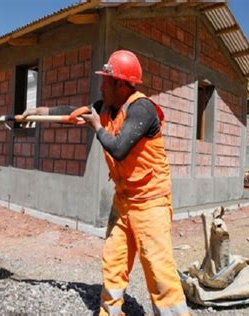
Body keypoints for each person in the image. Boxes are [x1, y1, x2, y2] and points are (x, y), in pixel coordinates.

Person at [22, 50, 188, 315]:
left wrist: (97, 128)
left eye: (105, 81)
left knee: (158, 269)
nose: (101, 86)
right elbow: (73, 112)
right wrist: (38, 112)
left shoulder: (142, 109)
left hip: (150, 202)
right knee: (113, 260)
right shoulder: (106, 108)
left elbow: (119, 149)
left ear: (121, 84)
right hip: (123, 200)